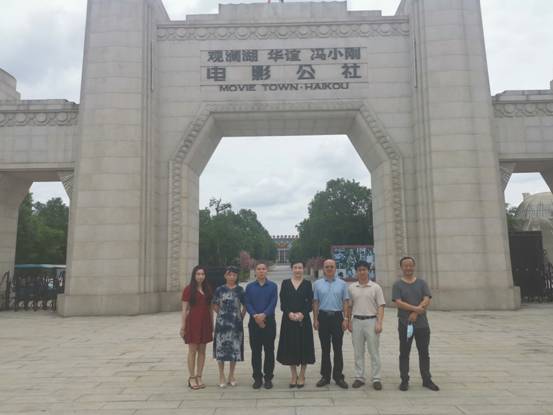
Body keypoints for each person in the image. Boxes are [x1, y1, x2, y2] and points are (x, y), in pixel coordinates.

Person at [392, 256, 439, 392]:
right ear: (401, 267)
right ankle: (404, 380)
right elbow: (398, 302)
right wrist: (415, 309)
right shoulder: (397, 285)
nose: (408, 268)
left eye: (410, 265)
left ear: (414, 266)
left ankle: (427, 379)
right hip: (405, 324)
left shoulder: (422, 283)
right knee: (404, 353)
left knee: (424, 352)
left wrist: (416, 313)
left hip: (422, 325)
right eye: (405, 265)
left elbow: (427, 299)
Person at [347, 260, 386, 390]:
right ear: (356, 272)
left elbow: (381, 306)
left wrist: (379, 322)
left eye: (364, 269)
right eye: (359, 270)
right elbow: (349, 306)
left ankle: (376, 378)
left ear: (368, 271)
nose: (362, 272)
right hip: (357, 321)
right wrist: (348, 321)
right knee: (358, 352)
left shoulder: (375, 287)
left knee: (374, 351)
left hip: (371, 321)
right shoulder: (352, 288)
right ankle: (359, 377)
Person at [276, 261, 315, 388]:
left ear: (303, 269)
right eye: (295, 268)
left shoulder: (307, 284)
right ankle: (293, 375)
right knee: (290, 347)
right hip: (289, 320)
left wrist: (302, 313)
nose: (298, 270)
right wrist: (289, 313)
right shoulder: (285, 283)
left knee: (304, 346)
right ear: (292, 269)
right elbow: (283, 302)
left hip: (303, 320)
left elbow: (310, 302)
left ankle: (302, 375)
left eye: (300, 268)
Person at [312, 258, 350, 389]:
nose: (329, 269)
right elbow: (315, 302)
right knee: (325, 348)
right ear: (323, 268)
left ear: (335, 268)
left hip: (337, 317)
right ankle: (325, 376)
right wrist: (315, 319)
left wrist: (346, 318)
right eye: (327, 266)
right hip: (323, 317)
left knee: (338, 348)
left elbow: (345, 302)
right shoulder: (317, 284)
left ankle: (338, 377)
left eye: (331, 266)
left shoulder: (342, 284)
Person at [245, 262, 278, 389]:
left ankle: (268, 378)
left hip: (269, 322)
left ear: (266, 270)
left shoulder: (273, 286)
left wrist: (264, 315)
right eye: (259, 269)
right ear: (255, 271)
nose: (261, 271)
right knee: (256, 351)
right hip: (254, 322)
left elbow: (273, 303)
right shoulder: (250, 287)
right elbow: (248, 303)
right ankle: (257, 378)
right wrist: (255, 316)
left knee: (269, 350)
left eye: (263, 269)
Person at [212, 266, 246, 388]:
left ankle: (231, 375)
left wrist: (240, 317)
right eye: (229, 274)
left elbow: (245, 305)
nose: (232, 277)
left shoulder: (240, 290)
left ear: (236, 276)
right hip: (222, 324)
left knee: (234, 349)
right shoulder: (219, 289)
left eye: (234, 275)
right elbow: (215, 305)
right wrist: (223, 315)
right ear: (225, 276)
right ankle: (221, 375)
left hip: (236, 324)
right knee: (220, 349)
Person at [180, 265, 213, 390]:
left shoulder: (208, 289)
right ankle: (192, 377)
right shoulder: (188, 290)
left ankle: (199, 376)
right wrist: (183, 327)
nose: (200, 276)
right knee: (192, 350)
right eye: (198, 274)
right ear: (194, 275)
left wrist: (212, 324)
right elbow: (184, 310)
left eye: (202, 274)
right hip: (193, 322)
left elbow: (210, 309)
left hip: (205, 322)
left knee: (202, 351)